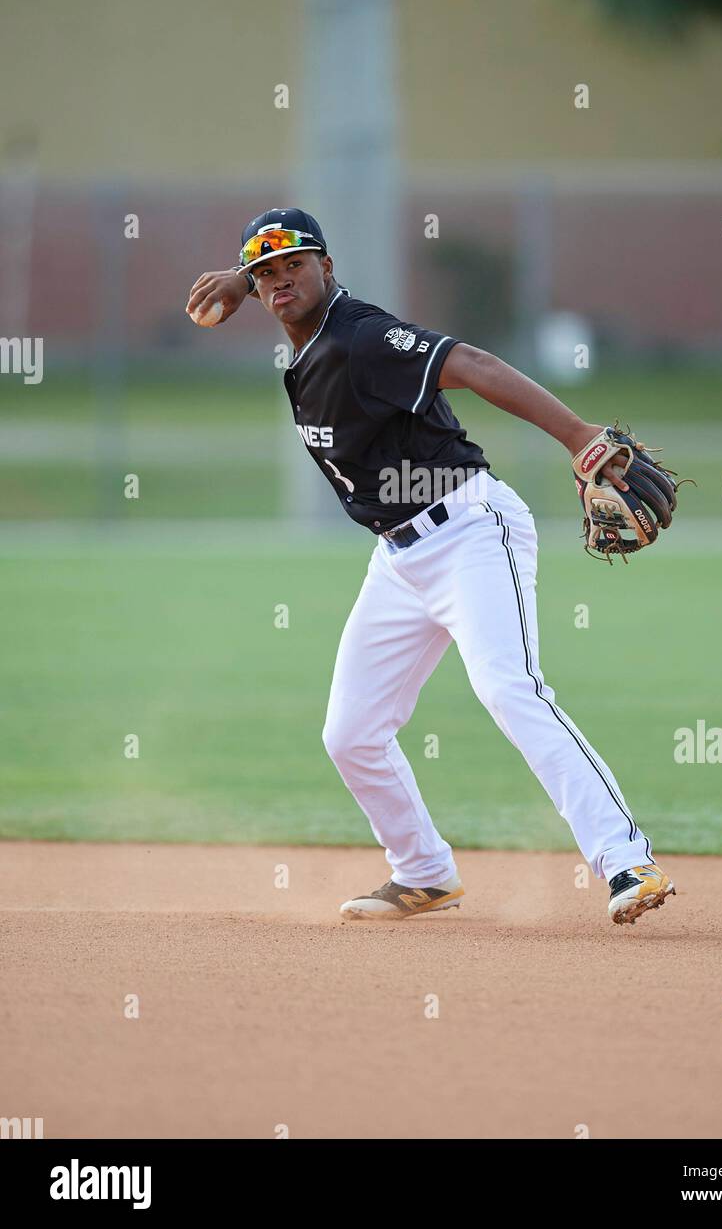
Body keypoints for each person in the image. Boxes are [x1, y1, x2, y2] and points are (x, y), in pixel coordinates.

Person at [186, 207, 676, 926]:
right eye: (268, 270)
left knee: (509, 689)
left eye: (297, 262)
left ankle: (627, 861)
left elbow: (472, 366)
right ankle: (422, 873)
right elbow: (272, 277)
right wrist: (242, 277)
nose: (281, 277)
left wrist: (578, 438)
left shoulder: (362, 336)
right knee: (349, 733)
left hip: (473, 531)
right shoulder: (307, 341)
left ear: (329, 266)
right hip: (397, 558)